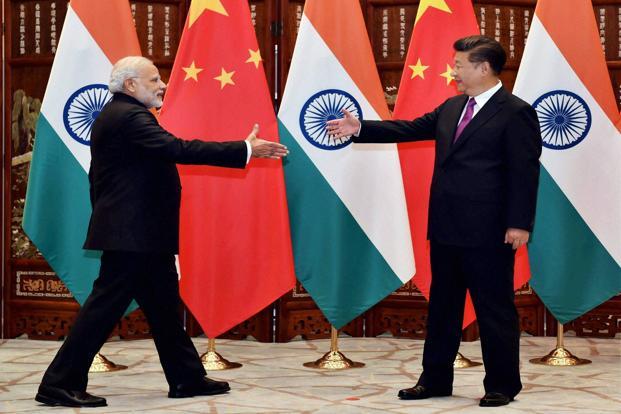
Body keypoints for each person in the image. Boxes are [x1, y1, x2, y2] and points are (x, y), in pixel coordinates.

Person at [34, 56, 288, 408]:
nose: (162, 85)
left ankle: (186, 378)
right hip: (132, 235)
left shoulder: (124, 116)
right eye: (154, 80)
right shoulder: (129, 116)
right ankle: (59, 383)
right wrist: (245, 149)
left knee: (164, 307)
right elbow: (177, 149)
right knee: (103, 310)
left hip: (141, 233)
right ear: (131, 86)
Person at [327, 35, 541, 407]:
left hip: (490, 230)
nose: (453, 71)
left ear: (483, 67)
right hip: (445, 227)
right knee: (443, 307)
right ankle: (435, 380)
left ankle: (502, 385)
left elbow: (524, 172)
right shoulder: (452, 106)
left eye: (459, 65)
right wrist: (359, 128)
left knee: (494, 309)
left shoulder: (515, 111)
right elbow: (409, 128)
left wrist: (519, 223)